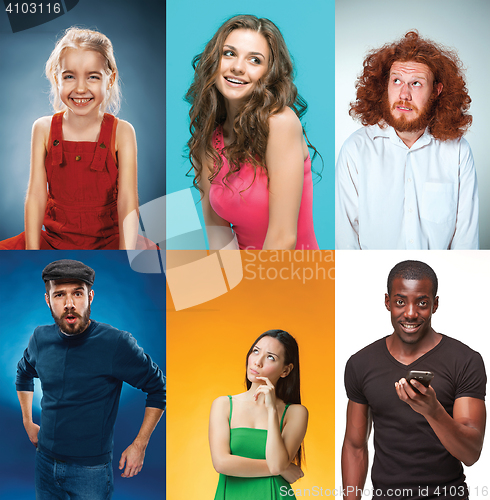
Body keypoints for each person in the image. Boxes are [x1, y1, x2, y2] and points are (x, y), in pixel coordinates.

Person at [16, 259, 166, 500]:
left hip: (90, 472)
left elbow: (158, 388)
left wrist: (140, 444)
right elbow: (23, 373)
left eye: (77, 293)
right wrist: (26, 420)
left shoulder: (116, 343)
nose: (69, 304)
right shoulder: (39, 338)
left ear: (90, 297)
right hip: (44, 461)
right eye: (59, 295)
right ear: (48, 300)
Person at [342, 260, 486, 500]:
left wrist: (433, 411)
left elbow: (471, 454)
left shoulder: (465, 361)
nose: (410, 313)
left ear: (435, 304)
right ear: (387, 302)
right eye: (400, 302)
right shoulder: (361, 363)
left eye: (422, 303)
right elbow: (355, 446)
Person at [0, 27, 148, 250]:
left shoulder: (123, 132)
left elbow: (127, 201)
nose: (80, 88)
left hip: (110, 242)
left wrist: (126, 255)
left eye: (93, 77)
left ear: (110, 79)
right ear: (55, 77)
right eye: (69, 76)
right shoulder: (43, 128)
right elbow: (36, 195)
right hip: (52, 241)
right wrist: (32, 252)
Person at [186, 15, 319, 250]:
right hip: (244, 280)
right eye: (229, 53)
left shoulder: (281, 123)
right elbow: (219, 238)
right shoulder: (207, 140)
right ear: (214, 61)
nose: (237, 67)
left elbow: (283, 237)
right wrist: (231, 287)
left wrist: (256, 287)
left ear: (269, 74)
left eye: (254, 60)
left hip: (292, 277)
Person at [336, 31, 478, 250]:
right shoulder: (355, 150)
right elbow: (346, 241)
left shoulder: (458, 151)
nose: (404, 94)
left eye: (416, 83)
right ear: (385, 85)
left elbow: (465, 242)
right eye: (396, 81)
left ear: (436, 91)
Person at [209, 329, 308, 499]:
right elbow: (221, 463)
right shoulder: (223, 404)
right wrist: (284, 469)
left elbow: (277, 464)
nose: (257, 362)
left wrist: (271, 410)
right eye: (255, 351)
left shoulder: (295, 413)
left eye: (271, 357)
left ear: (285, 370)